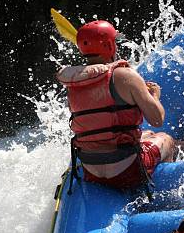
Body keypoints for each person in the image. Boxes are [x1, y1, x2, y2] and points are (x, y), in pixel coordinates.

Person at [56, 20, 177, 191]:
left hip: (91, 171)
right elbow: (157, 119)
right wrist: (154, 96)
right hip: (127, 170)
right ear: (108, 46)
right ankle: (161, 194)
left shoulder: (73, 83)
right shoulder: (124, 75)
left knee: (148, 134)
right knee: (166, 139)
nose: (118, 47)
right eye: (115, 42)